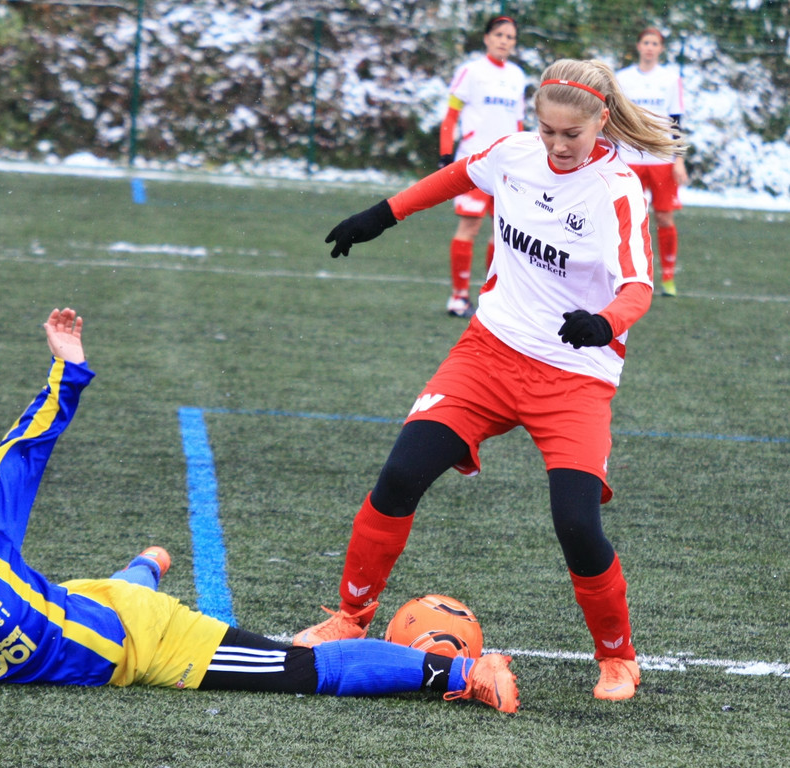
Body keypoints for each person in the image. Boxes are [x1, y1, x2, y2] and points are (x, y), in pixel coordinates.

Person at [0, 308, 518, 713]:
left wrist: (67, 370)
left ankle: (463, 674)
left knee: (299, 670)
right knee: (72, 599)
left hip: (143, 641)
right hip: (77, 603)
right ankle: (140, 568)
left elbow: (21, 451)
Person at [294, 59, 687, 702]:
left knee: (577, 524)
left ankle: (618, 657)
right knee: (400, 475)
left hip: (574, 376)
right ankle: (349, 617)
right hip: (488, 354)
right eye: (547, 129)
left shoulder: (617, 188)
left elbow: (638, 287)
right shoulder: (515, 152)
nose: (557, 145)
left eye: (571, 134)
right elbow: (456, 176)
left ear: (601, 122)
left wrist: (604, 323)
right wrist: (382, 215)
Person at [438, 15, 526, 318]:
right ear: (487, 38)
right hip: (474, 164)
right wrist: (445, 155)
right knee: (469, 226)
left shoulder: (517, 76)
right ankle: (458, 297)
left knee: (503, 233)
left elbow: (518, 124)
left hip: (507, 168)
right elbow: (451, 117)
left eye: (510, 37)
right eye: (499, 34)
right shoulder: (470, 71)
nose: (504, 41)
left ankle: (492, 300)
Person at [616, 27, 687, 296]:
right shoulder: (622, 78)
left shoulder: (671, 79)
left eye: (654, 43)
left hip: (661, 158)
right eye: (645, 42)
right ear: (638, 46)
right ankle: (626, 275)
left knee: (664, 217)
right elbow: (616, 118)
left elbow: (676, 120)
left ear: (661, 49)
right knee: (626, 218)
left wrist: (678, 159)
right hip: (629, 157)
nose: (649, 47)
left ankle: (668, 277)